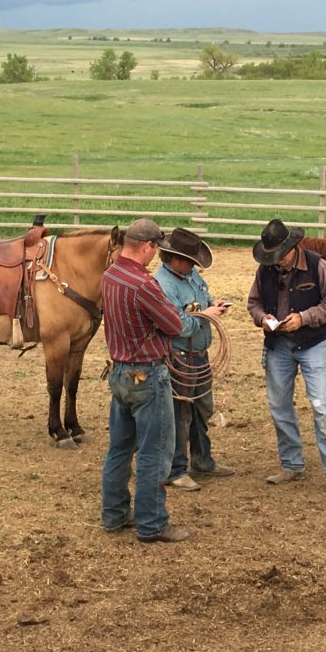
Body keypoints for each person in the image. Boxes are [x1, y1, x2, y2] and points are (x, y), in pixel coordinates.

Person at [100, 218, 192, 544]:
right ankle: (151, 524)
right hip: (148, 375)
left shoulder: (110, 275)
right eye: (156, 249)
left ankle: (113, 515)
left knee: (119, 449)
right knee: (155, 451)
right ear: (147, 246)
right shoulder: (144, 283)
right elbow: (174, 324)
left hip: (120, 371)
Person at [247, 219, 326, 500]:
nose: (276, 262)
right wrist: (263, 318)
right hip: (277, 342)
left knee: (320, 405)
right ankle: (292, 463)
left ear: (292, 249)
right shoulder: (265, 269)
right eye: (272, 257)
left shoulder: (318, 265)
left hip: (312, 342)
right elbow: (253, 302)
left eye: (279, 256)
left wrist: (304, 318)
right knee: (279, 405)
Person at [154, 228, 236, 492]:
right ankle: (176, 469)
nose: (193, 265)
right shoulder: (163, 285)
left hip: (197, 357)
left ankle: (202, 459)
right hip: (179, 358)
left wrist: (213, 303)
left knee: (201, 408)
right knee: (179, 412)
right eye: (189, 260)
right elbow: (176, 326)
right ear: (174, 258)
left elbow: (201, 299)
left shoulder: (190, 275)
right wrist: (208, 315)